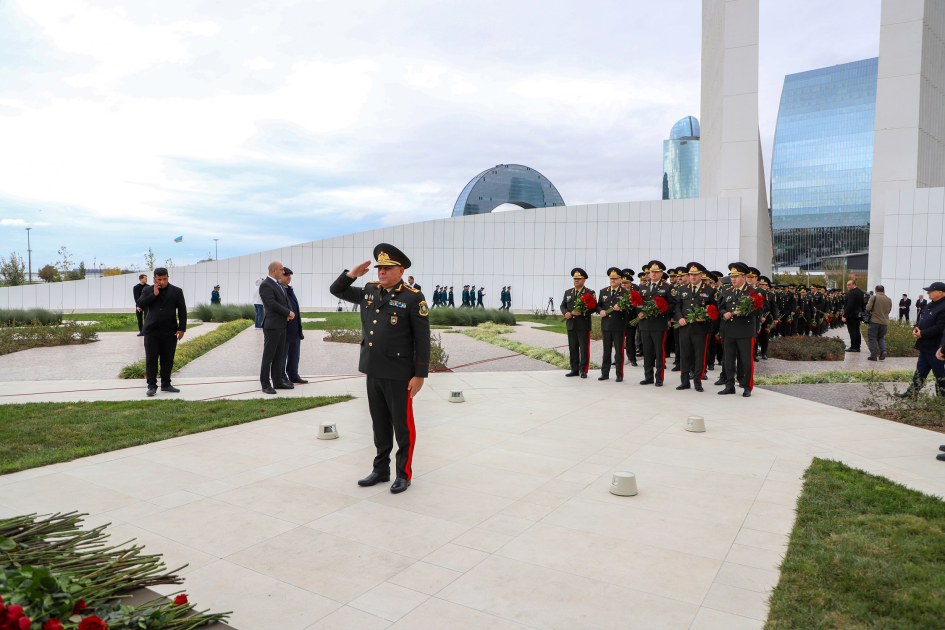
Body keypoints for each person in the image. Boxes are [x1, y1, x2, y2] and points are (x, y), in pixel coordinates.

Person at [329, 243, 430, 494]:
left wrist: (419, 375)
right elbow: (336, 290)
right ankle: (381, 470)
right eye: (379, 268)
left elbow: (422, 339)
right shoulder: (370, 290)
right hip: (373, 369)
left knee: (402, 427)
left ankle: (403, 474)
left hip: (399, 373)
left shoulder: (412, 296)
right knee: (379, 424)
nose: (381, 272)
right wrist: (351, 274)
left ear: (401, 270)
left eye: (387, 268)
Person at [135, 268, 186, 397]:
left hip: (170, 331)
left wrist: (182, 328)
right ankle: (151, 386)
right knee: (151, 359)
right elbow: (140, 304)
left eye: (164, 279)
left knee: (167, 359)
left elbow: (182, 311)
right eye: (159, 279)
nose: (162, 282)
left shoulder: (177, 291)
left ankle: (166, 384)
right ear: (154, 279)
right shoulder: (147, 290)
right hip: (152, 331)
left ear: (168, 277)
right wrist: (154, 294)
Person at [717, 262, 760, 397]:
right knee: (728, 360)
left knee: (746, 360)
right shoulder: (727, 290)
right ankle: (729, 385)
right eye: (732, 276)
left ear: (744, 277)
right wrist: (724, 313)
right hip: (729, 330)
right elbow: (720, 306)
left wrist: (742, 311)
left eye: (736, 276)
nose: (733, 279)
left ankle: (747, 386)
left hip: (745, 331)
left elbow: (759, 309)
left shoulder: (753, 291)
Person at [900, 282, 945, 398]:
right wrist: (916, 328)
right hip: (925, 346)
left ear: (940, 292)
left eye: (931, 291)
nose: (928, 292)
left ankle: (941, 400)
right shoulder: (930, 304)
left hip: (937, 349)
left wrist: (922, 333)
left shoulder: (943, 307)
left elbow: (940, 328)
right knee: (919, 373)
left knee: (941, 376)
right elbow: (921, 319)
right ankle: (911, 393)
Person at [675, 263, 716, 392]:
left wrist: (706, 317)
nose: (692, 277)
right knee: (685, 355)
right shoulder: (682, 289)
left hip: (701, 329)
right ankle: (685, 381)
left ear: (701, 275)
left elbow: (715, 309)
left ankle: (698, 382)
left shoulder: (709, 290)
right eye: (691, 274)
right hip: (685, 327)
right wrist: (679, 317)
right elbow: (677, 306)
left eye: (695, 274)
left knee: (699, 356)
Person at [259, 261, 296, 394]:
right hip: (272, 326)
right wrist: (287, 313)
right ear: (274, 271)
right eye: (281, 270)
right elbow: (272, 304)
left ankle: (278, 381)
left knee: (279, 356)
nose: (283, 271)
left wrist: (289, 313)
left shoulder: (278, 285)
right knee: (269, 356)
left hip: (282, 324)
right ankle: (265, 384)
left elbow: (286, 301)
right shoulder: (265, 285)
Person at [636, 260, 674, 387]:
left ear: (661, 273)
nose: (653, 274)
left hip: (658, 324)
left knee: (659, 352)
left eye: (656, 272)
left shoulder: (667, 287)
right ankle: (648, 376)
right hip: (645, 324)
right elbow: (637, 303)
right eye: (651, 272)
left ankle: (659, 377)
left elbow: (672, 304)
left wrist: (660, 309)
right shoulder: (643, 286)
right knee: (647, 352)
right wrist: (639, 312)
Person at [561, 268, 594, 378]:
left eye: (579, 279)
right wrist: (565, 313)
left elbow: (593, 308)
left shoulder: (589, 292)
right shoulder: (568, 292)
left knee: (584, 349)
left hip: (583, 325)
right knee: (573, 348)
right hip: (571, 325)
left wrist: (583, 313)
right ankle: (574, 369)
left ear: (584, 280)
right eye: (575, 278)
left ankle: (583, 370)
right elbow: (563, 306)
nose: (576, 280)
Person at [598, 267, 628, 382]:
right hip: (606, 325)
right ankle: (604, 373)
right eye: (611, 278)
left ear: (620, 279)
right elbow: (598, 305)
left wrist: (621, 308)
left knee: (619, 351)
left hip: (618, 325)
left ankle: (619, 374)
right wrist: (600, 311)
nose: (613, 281)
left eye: (615, 279)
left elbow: (629, 308)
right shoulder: (603, 291)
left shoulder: (624, 292)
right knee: (606, 350)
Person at [281, 267, 308, 384]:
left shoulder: (289, 289)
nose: (288, 277)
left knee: (294, 354)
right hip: (285, 329)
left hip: (295, 329)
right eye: (286, 275)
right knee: (282, 355)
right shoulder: (279, 290)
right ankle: (281, 377)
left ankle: (293, 374)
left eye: (289, 275)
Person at [865, 285, 892, 361]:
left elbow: (868, 308)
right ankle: (883, 351)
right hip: (884, 322)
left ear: (876, 291)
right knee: (881, 337)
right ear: (884, 291)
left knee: (872, 338)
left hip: (874, 321)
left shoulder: (873, 298)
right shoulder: (889, 299)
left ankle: (873, 356)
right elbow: (889, 310)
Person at [620, 269, 638, 368]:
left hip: (630, 320)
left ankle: (632, 358)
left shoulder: (634, 293)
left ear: (630, 284)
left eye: (626, 283)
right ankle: (618, 358)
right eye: (622, 283)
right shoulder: (618, 293)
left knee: (630, 341)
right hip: (619, 321)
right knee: (619, 341)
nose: (623, 285)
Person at [842, 280, 865, 352]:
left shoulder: (851, 294)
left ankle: (853, 347)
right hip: (858, 314)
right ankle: (857, 346)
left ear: (854, 285)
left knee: (852, 331)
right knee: (857, 330)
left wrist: (845, 316)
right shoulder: (860, 292)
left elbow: (849, 305)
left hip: (851, 315)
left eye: (849, 285)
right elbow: (862, 304)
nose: (848, 286)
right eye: (847, 285)